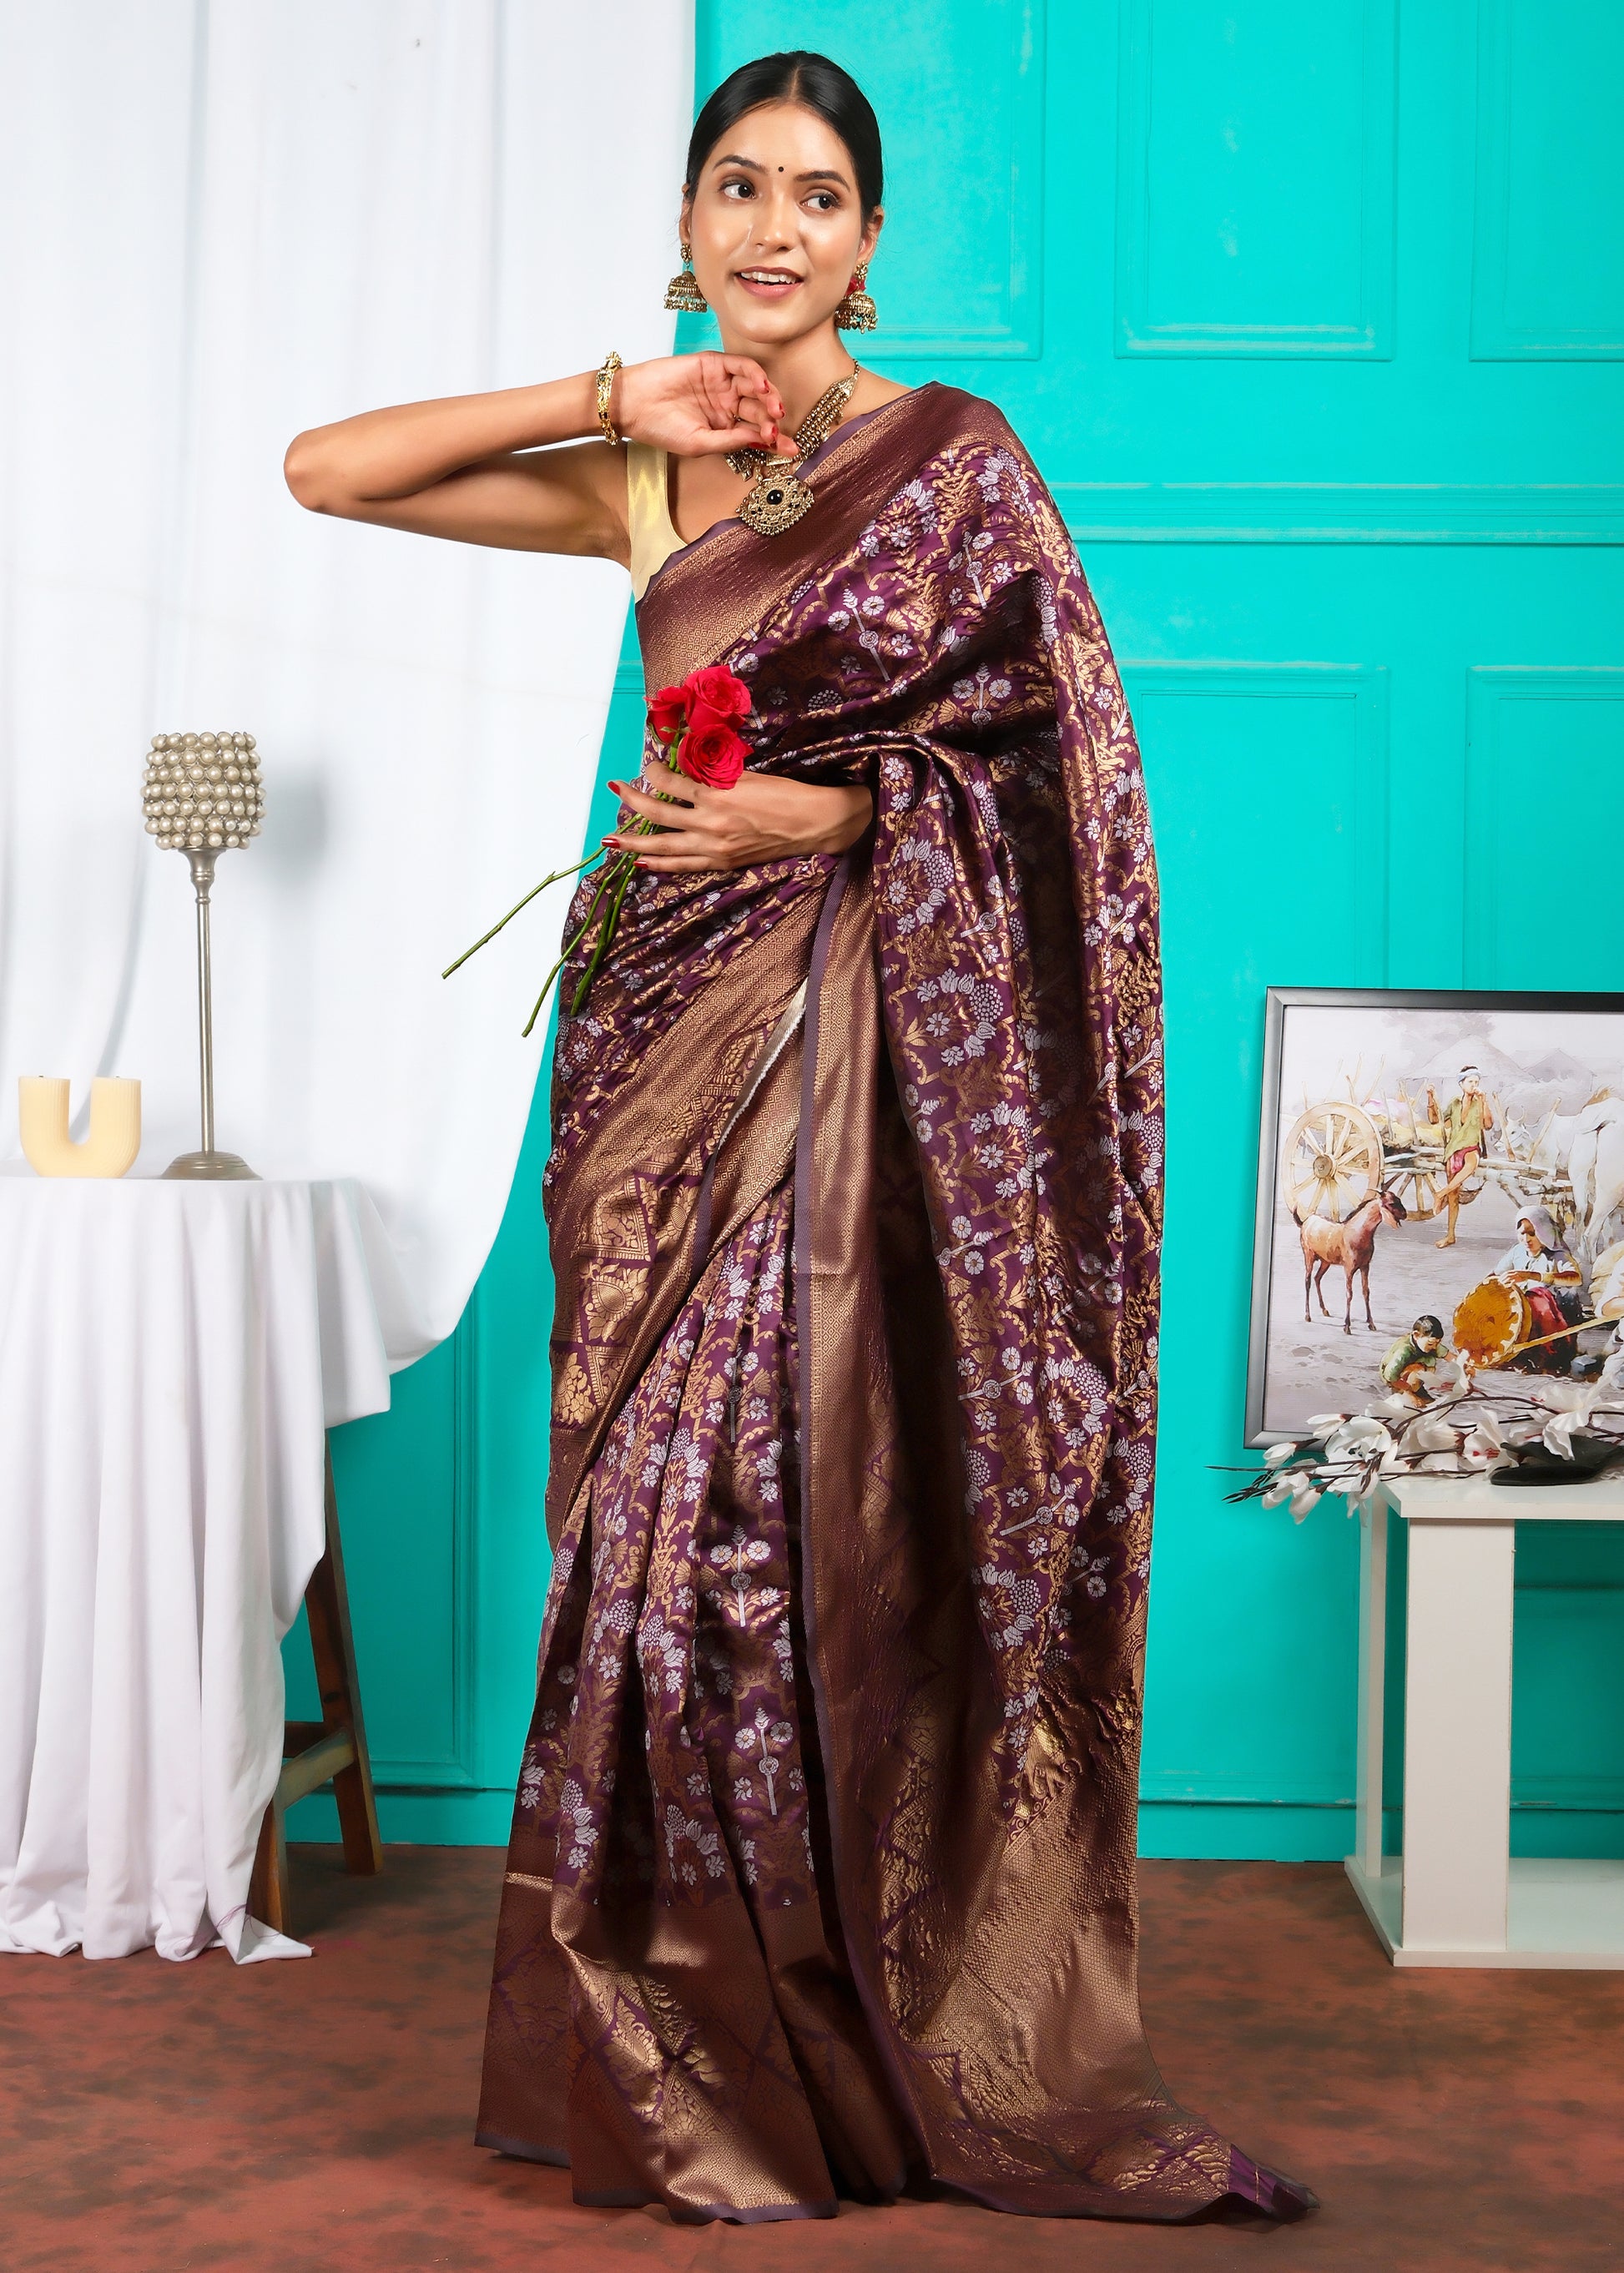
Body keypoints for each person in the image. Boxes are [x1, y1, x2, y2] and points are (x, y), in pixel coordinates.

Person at [285, 51, 1311, 2228]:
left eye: (817, 197)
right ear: (685, 227)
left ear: (869, 241)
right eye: (735, 189)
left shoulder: (958, 462)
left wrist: (844, 806)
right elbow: (327, 469)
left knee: (830, 1516)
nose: (772, 230)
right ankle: (683, 2049)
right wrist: (608, 400)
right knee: (659, 1539)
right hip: (666, 1053)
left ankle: (854, 2033)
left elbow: (1070, 784)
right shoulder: (648, 477)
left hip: (873, 1057)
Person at [1494, 1207, 1584, 1368]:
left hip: (1555, 1321)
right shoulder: (1518, 1252)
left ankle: (1548, 1356)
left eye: (1532, 1234)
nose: (1527, 1239)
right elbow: (1496, 1275)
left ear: (1544, 1232)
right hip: (1525, 1318)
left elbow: (1576, 1278)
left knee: (1537, 1296)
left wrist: (1531, 1275)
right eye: (1522, 1233)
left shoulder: (1557, 1255)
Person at [1426, 1066, 1495, 1249]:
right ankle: (1450, 1236)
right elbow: (1435, 1119)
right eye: (1471, 1082)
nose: (1474, 1085)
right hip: (1454, 1150)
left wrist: (1484, 1100)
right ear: (1462, 1084)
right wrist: (1431, 1097)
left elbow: (1488, 1124)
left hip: (1472, 1148)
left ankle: (1440, 1193)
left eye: (1476, 1083)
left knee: (1471, 1164)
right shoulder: (1455, 1103)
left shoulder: (1480, 1102)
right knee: (1454, 1197)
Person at [1381, 1314, 1444, 1406]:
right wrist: (1410, 1395)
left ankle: (1416, 1390)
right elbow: (1390, 1376)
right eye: (1431, 1344)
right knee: (1417, 1370)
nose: (1434, 1347)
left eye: (1437, 1343)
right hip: (1396, 1378)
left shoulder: (1429, 1343)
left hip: (1412, 1376)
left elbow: (1447, 1355)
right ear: (1416, 1335)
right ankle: (1404, 1394)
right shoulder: (1404, 1351)